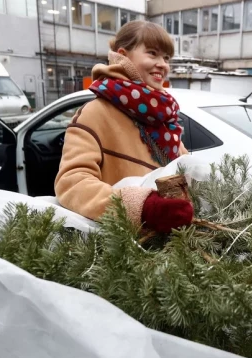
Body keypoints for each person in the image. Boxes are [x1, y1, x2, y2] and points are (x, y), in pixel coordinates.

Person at [54, 20, 193, 234]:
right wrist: (141, 207)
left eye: (166, 57)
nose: (163, 64)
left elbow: (183, 167)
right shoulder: (95, 113)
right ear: (123, 55)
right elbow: (71, 183)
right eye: (153, 53)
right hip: (120, 246)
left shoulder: (163, 115)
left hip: (167, 242)